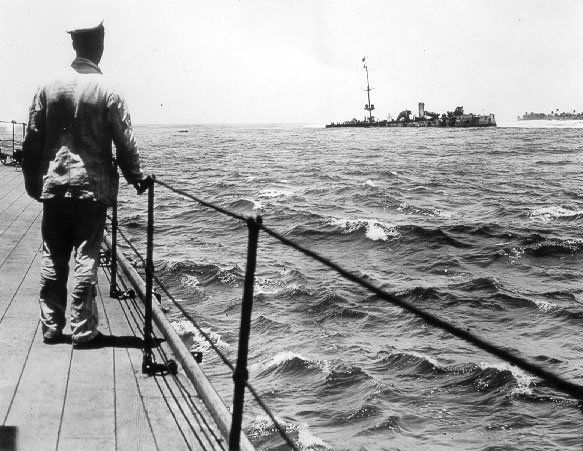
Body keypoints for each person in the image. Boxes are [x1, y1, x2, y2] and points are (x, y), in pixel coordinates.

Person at [22, 18, 150, 347]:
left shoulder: (48, 85)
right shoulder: (108, 89)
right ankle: (83, 330)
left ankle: (51, 327)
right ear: (100, 46)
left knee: (53, 255)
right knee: (86, 256)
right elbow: (125, 142)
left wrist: (32, 181)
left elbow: (31, 140)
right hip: (92, 190)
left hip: (54, 185)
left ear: (74, 45)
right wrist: (136, 177)